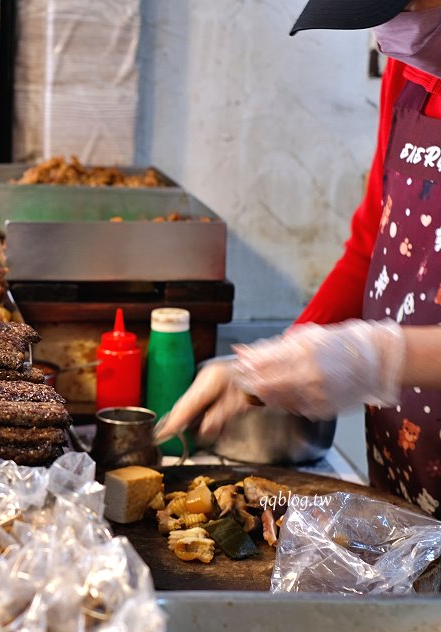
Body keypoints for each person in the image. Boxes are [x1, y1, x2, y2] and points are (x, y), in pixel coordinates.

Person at [154, 0, 441, 518]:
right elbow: (370, 245)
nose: (388, 34)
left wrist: (377, 356)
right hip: (406, 474)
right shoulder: (411, 70)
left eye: (408, 5)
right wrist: (270, 364)